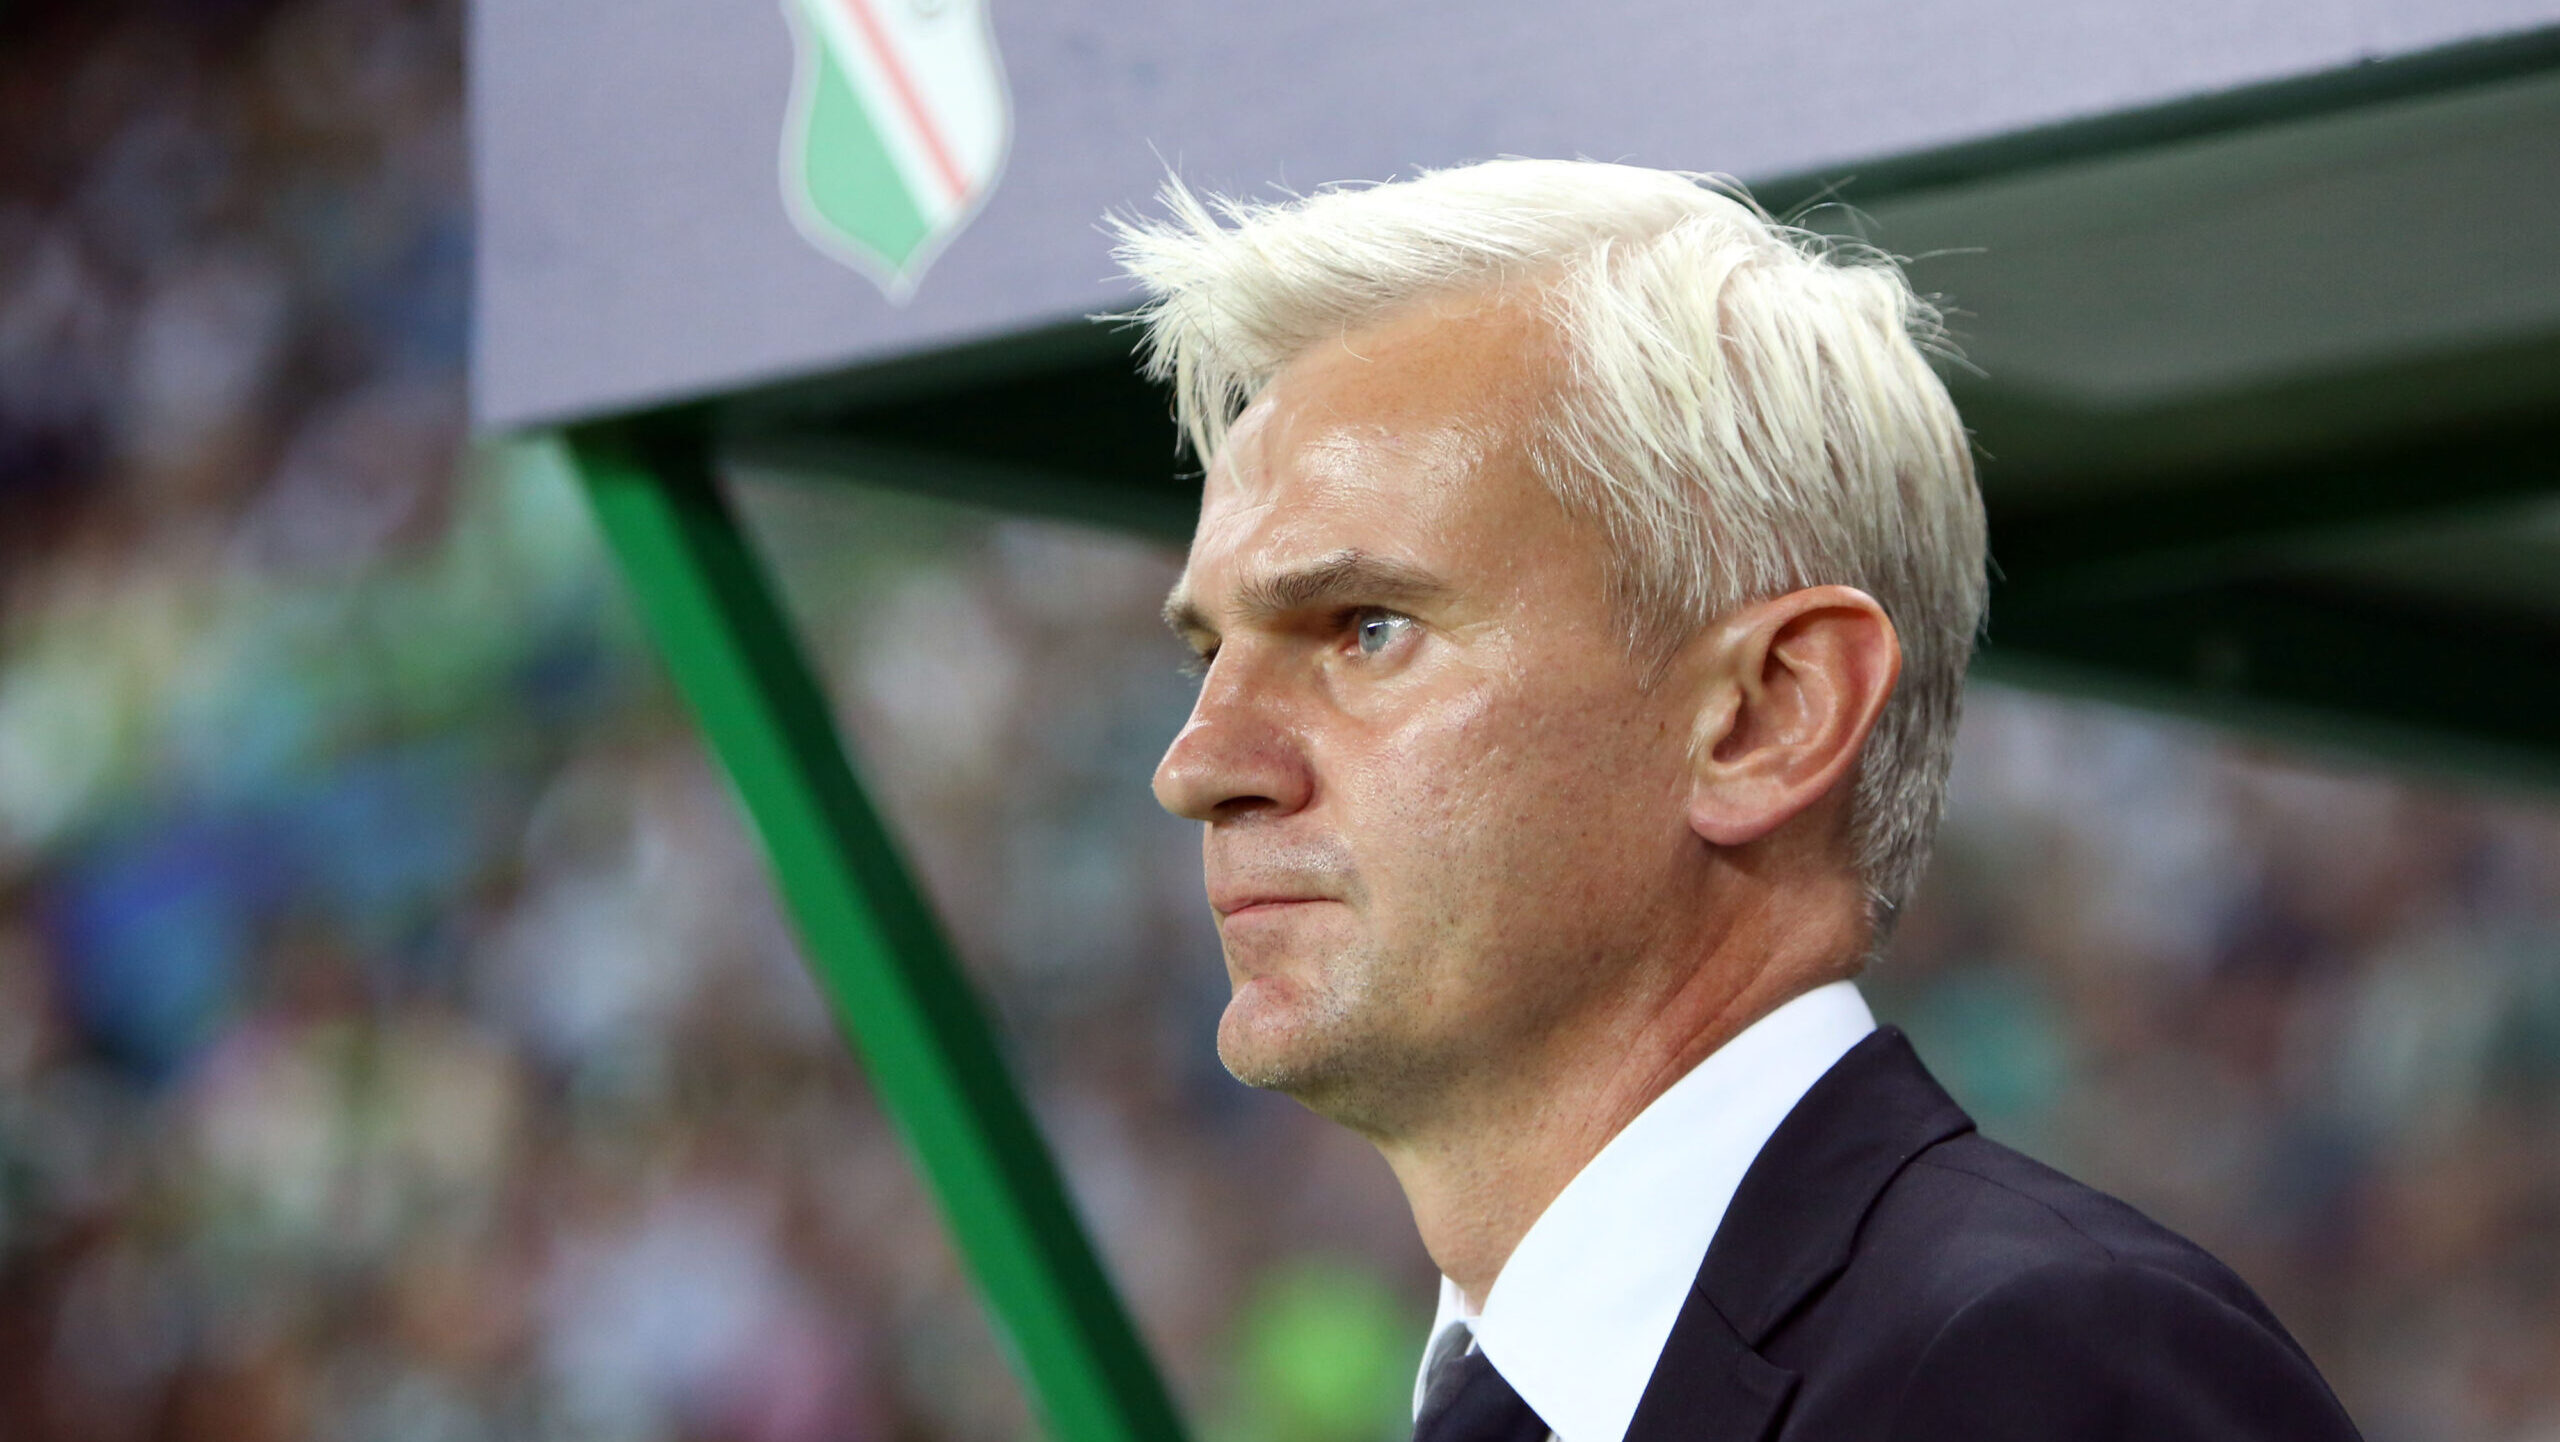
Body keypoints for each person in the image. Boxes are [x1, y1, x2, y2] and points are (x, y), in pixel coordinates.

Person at [1116, 159, 2361, 1442]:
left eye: (1366, 627)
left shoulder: (2036, 1371)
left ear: (1769, 715)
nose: (1197, 761)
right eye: (1211, 653)